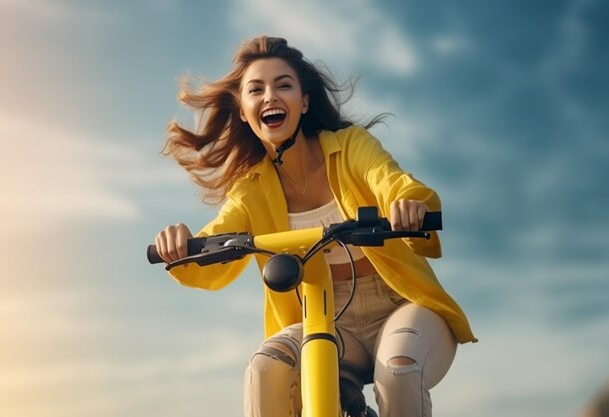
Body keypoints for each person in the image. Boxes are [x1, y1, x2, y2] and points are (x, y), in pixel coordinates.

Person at [154, 35, 477, 417]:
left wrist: (408, 205)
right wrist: (182, 246)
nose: (270, 96)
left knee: (398, 371)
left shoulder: (350, 146)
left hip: (399, 302)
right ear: (243, 110)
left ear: (304, 102)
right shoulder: (251, 190)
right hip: (323, 314)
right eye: (256, 90)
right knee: (265, 367)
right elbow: (218, 239)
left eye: (283, 85)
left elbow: (389, 181)